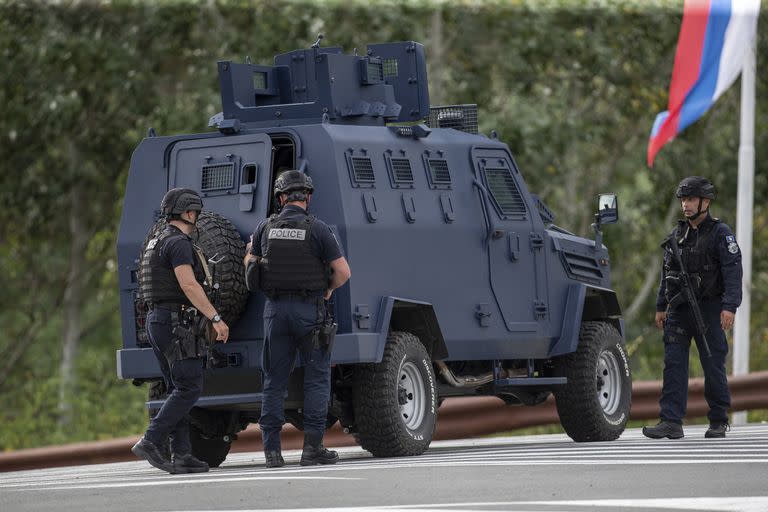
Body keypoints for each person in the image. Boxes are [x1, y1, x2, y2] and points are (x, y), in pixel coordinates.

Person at [245, 170, 351, 468]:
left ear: (281, 198)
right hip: (310, 312)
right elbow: (343, 272)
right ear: (308, 197)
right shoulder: (318, 229)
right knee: (317, 380)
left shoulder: (264, 228)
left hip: (275, 312)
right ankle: (312, 449)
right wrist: (328, 289)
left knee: (273, 381)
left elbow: (250, 271)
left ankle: (272, 453)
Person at [132, 188, 230, 473]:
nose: (197, 218)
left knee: (177, 388)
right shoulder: (178, 243)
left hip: (157, 321)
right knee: (189, 387)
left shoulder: (155, 241)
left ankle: (183, 453)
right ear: (188, 213)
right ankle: (150, 440)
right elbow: (188, 285)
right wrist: (214, 318)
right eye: (196, 213)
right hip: (175, 323)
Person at [643, 176, 742, 440]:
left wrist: (729, 307)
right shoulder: (677, 235)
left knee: (712, 362)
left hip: (709, 309)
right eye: (683, 200)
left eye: (690, 199)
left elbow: (733, 272)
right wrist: (661, 305)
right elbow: (667, 273)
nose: (685, 205)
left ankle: (719, 419)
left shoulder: (721, 233)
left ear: (705, 202)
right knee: (673, 365)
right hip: (679, 309)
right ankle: (671, 421)